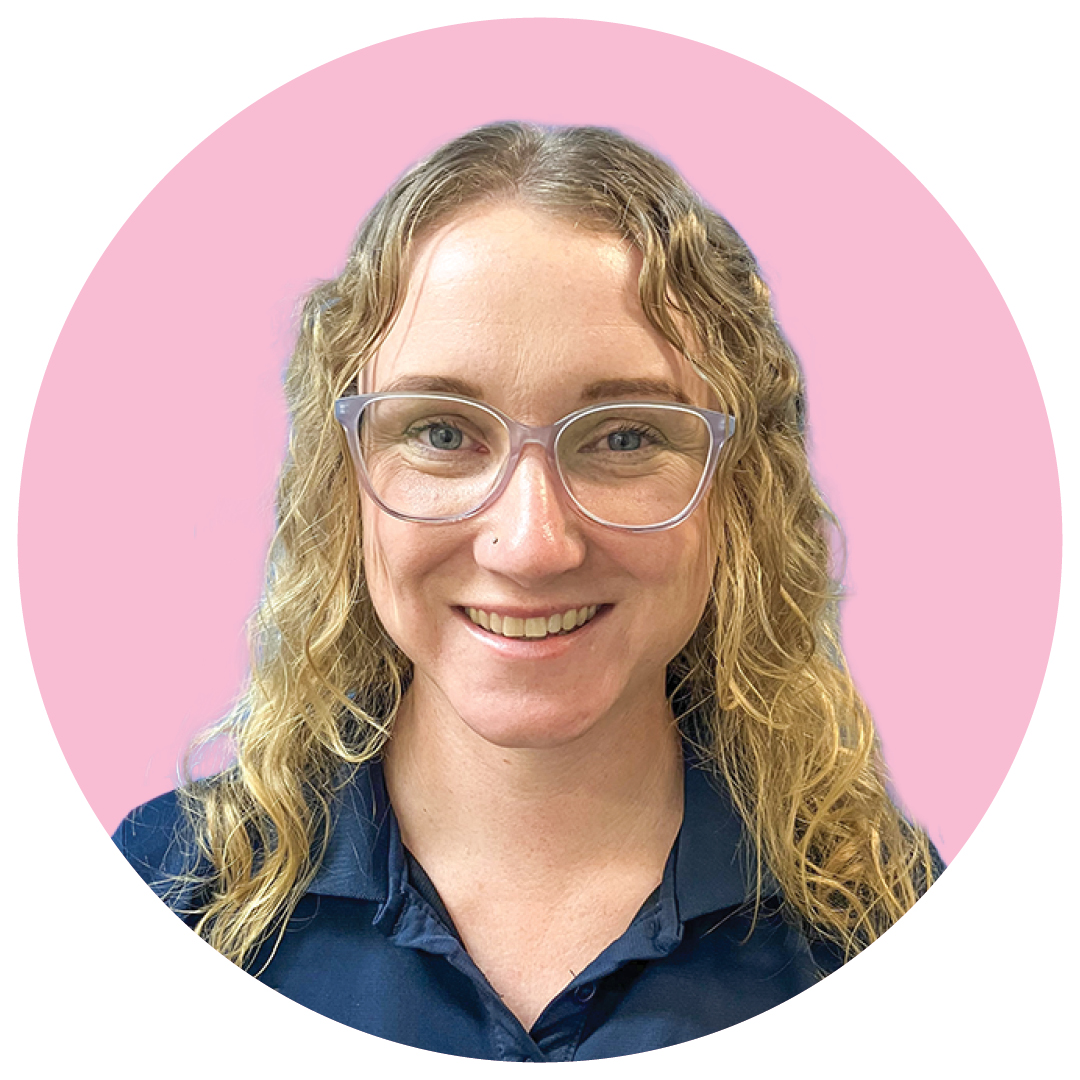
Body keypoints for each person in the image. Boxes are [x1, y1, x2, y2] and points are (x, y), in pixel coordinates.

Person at [114, 122, 941, 1061]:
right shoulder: (169, 897)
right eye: (442, 432)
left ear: (737, 489)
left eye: (625, 436)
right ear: (345, 483)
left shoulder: (886, 923)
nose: (533, 546)